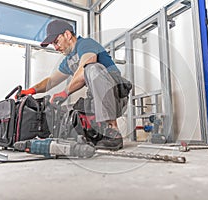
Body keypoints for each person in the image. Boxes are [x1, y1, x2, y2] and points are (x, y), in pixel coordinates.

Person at [20, 20, 129, 150]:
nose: (55, 47)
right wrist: (31, 90)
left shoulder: (86, 44)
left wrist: (65, 92)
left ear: (67, 34)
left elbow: (85, 69)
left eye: (56, 42)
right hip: (97, 100)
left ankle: (113, 132)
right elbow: (51, 81)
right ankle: (97, 134)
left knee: (91, 68)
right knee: (72, 111)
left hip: (115, 94)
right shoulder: (68, 60)